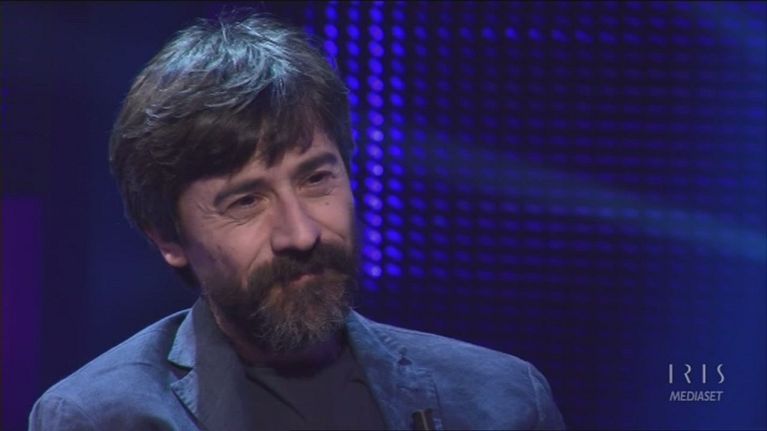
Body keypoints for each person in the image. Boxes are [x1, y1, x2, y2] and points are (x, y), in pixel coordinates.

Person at [29, 12, 565, 431]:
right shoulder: (101, 418)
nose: (301, 234)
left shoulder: (502, 402)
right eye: (246, 202)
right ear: (169, 238)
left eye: (315, 179)